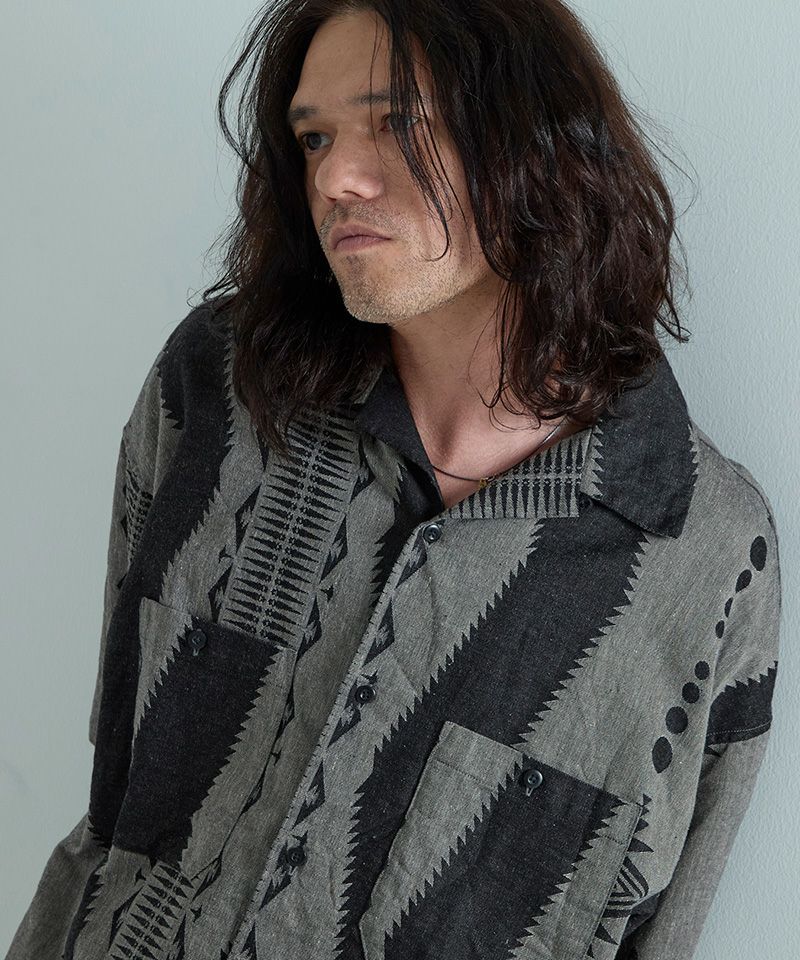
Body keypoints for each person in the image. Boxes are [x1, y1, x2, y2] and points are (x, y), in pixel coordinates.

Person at [8, 2, 782, 959]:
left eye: (397, 122)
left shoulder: (707, 556)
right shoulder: (218, 387)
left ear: (536, 139)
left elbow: (661, 930)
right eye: (315, 137)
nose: (336, 177)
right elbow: (115, 795)